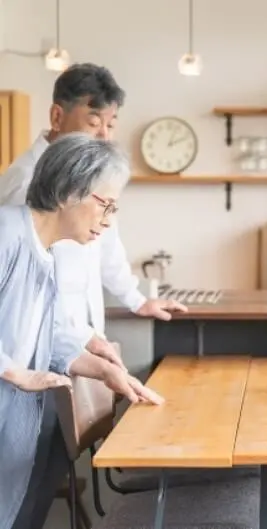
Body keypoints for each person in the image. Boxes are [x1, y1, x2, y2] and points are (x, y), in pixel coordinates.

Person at [0, 132, 164, 529]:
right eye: (104, 205)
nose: (108, 222)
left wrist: (106, 369)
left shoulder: (49, 250)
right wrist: (12, 369)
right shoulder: (6, 234)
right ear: (66, 192)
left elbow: (48, 333)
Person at [0, 62, 186, 366]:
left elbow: (107, 247)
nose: (103, 135)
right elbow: (22, 289)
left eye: (110, 125)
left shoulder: (93, 178)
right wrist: (74, 338)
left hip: (78, 339)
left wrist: (136, 300)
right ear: (57, 116)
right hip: (34, 353)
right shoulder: (23, 183)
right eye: (93, 121)